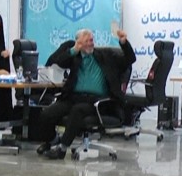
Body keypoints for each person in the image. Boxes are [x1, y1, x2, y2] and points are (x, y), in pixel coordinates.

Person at [36, 28, 136, 159]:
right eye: (86, 41)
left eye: (91, 40)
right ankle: (53, 140)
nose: (90, 44)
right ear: (79, 43)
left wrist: (124, 42)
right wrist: (74, 50)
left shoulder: (106, 56)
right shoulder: (75, 57)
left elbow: (130, 59)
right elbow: (58, 61)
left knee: (77, 110)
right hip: (73, 97)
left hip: (97, 101)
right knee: (46, 114)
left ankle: (62, 149)